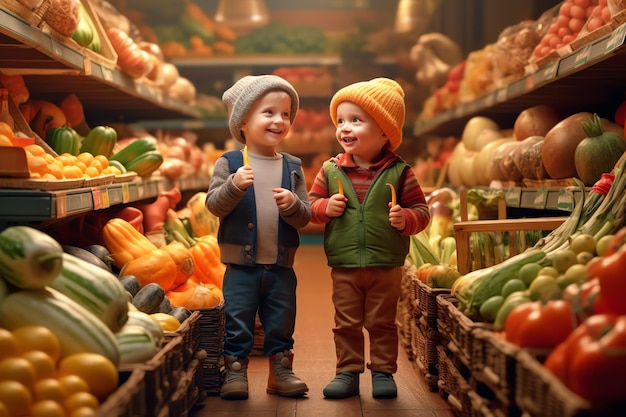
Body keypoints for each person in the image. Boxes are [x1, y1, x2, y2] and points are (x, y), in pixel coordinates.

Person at [308, 78, 431, 399]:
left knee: (382, 322)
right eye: (341, 121)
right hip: (345, 263)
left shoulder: (401, 172)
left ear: (384, 132)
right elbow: (310, 208)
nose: (345, 128)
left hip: (386, 264)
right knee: (345, 322)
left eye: (356, 120)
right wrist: (326, 207)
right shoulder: (330, 170)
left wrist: (407, 219)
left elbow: (423, 211)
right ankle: (347, 371)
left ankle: (382, 373)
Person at [206, 74, 311, 400]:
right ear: (243, 122)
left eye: (285, 113)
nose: (279, 120)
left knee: (281, 319)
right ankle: (235, 371)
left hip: (280, 265)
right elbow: (214, 205)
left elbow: (304, 216)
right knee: (238, 318)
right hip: (240, 265)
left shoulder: (292, 165)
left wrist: (293, 205)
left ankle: (280, 370)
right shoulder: (230, 163)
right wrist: (234, 185)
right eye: (269, 112)